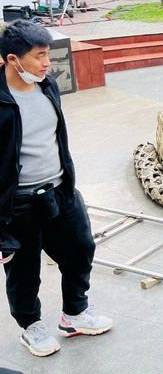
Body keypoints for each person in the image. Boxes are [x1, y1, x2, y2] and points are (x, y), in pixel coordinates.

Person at [0, 21, 113, 358]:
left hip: (60, 190)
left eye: (48, 54)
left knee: (81, 249)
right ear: (12, 59)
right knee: (24, 271)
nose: (47, 63)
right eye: (39, 56)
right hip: (18, 203)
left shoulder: (47, 85)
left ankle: (74, 313)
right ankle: (31, 326)